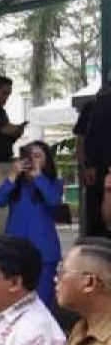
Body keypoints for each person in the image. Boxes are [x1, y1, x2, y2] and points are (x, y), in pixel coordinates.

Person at [0, 141, 63, 309]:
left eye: (38, 156)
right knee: (15, 298)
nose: (32, 160)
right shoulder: (16, 185)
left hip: (44, 251)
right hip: (16, 249)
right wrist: (12, 176)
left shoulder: (54, 183)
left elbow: (53, 201)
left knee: (43, 301)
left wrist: (38, 177)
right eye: (29, 156)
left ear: (46, 160)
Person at [75, 83, 111, 238]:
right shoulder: (91, 108)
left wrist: (84, 167)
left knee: (95, 218)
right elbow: (81, 140)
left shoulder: (91, 107)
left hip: (94, 169)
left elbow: (80, 140)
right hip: (95, 169)